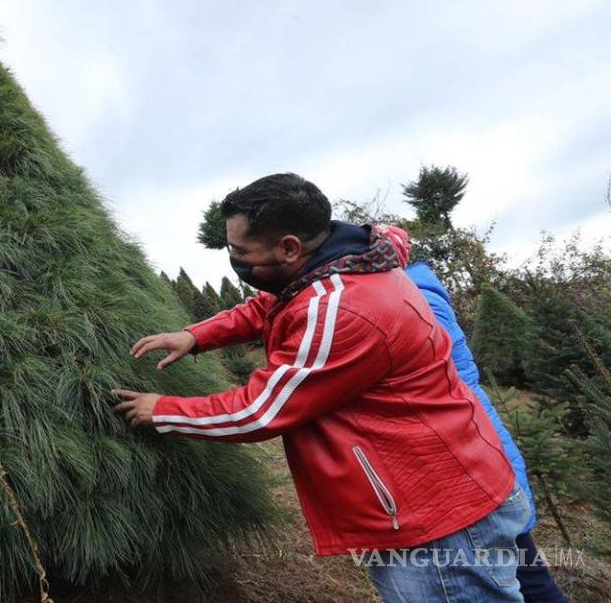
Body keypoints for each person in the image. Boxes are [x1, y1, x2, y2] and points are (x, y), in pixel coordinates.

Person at [113, 173, 528, 603]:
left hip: (438, 522)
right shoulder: (340, 262)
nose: (234, 258)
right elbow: (271, 306)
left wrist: (161, 410)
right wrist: (197, 335)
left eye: (240, 251)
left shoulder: (343, 309)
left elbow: (261, 410)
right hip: (437, 494)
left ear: (289, 247)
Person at [405, 262, 569, 602]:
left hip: (475, 460)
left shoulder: (409, 300)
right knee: (528, 572)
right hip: (487, 449)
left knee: (524, 576)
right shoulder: (421, 290)